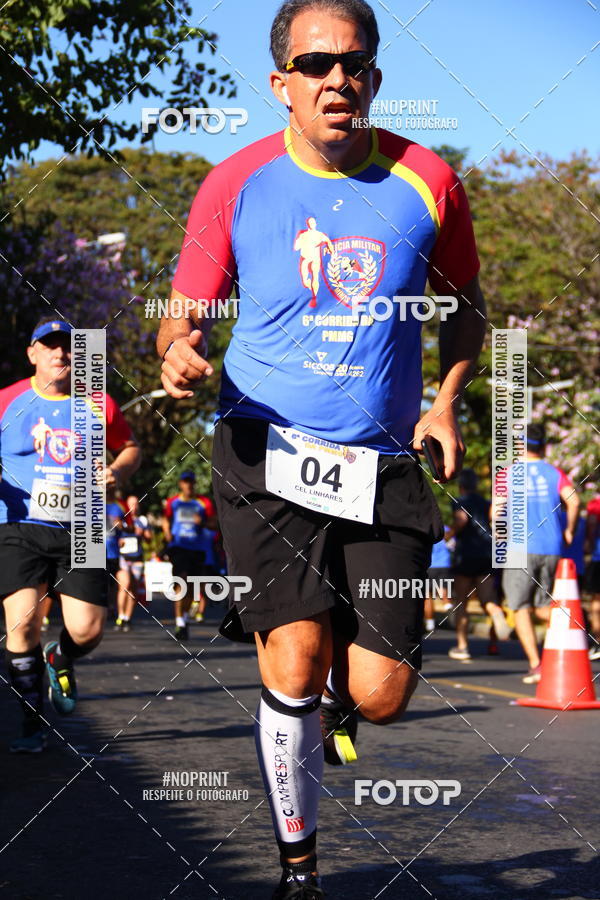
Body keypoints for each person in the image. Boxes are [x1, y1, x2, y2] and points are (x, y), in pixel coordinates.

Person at [157, 0, 486, 894]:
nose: (337, 78)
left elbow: (465, 307)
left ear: (375, 78)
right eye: (315, 64)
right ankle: (298, 868)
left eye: (355, 62)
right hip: (265, 451)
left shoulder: (429, 181)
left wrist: (446, 405)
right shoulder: (234, 182)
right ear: (281, 85)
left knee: (381, 694)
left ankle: (336, 670)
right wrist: (178, 346)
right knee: (295, 654)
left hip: (382, 464)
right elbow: (184, 309)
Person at [0, 317, 141, 752]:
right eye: (50, 346)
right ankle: (30, 724)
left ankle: (60, 657)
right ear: (33, 354)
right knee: (22, 624)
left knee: (86, 630)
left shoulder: (100, 404)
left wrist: (116, 471)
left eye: (68, 347)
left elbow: (131, 446)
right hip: (19, 525)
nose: (60, 353)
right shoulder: (7, 400)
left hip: (82, 527)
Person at [500, 423, 580, 683]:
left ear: (521, 445)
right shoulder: (555, 473)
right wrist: (569, 530)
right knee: (547, 606)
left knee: (520, 606)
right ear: (544, 446)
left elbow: (496, 511)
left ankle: (536, 664)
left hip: (520, 548)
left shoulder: (508, 473)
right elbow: (574, 500)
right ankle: (578, 635)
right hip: (552, 547)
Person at [446, 469, 510, 661]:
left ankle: (462, 646)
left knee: (461, 603)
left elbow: (461, 519)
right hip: (486, 554)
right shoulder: (485, 502)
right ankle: (496, 612)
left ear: (461, 485)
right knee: (487, 599)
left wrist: (449, 535)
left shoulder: (460, 501)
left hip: (466, 555)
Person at [161, 471, 216, 640]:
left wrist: (204, 523)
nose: (188, 485)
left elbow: (215, 523)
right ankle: (180, 622)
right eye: (185, 482)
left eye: (191, 482)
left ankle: (184, 618)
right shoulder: (173, 503)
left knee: (191, 587)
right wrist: (167, 532)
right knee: (181, 581)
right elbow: (165, 519)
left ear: (194, 483)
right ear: (180, 484)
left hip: (197, 549)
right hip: (178, 547)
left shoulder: (203, 502)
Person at [114, 495, 151, 631]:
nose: (133, 507)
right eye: (131, 504)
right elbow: (112, 535)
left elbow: (149, 539)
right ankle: (120, 616)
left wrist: (143, 534)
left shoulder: (142, 520)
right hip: (123, 557)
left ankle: (128, 618)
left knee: (133, 590)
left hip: (137, 559)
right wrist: (119, 541)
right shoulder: (121, 519)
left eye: (136, 504)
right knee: (124, 585)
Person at [424, 524, 453, 632]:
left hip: (428, 565)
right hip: (444, 564)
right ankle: (448, 605)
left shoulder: (423, 527)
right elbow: (452, 545)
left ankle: (430, 624)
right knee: (443, 590)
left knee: (427, 596)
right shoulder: (446, 529)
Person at [106, 487, 127, 619]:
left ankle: (111, 606)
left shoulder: (120, 506)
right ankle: (101, 606)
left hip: (113, 552)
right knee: (98, 581)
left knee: (112, 583)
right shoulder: (92, 502)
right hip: (94, 551)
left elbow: (129, 527)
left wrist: (122, 526)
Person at [585, 493, 600, 660]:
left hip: (598, 557)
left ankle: (597, 641)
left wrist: (588, 541)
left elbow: (591, 524)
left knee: (596, 601)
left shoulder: (595, 504)